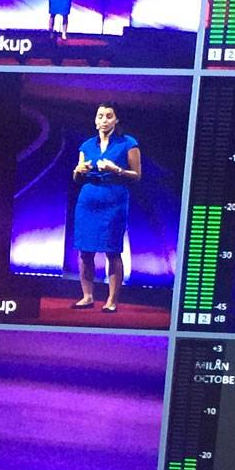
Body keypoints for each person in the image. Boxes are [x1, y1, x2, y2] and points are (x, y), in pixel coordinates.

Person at [71, 102, 141, 313]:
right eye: (100, 116)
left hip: (114, 200)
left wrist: (116, 169)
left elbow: (137, 175)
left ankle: (111, 300)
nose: (104, 120)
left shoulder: (128, 143)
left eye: (109, 116)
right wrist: (78, 171)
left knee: (112, 250)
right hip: (88, 200)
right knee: (85, 250)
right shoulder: (86, 146)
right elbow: (76, 178)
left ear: (116, 120)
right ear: (95, 120)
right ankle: (87, 296)